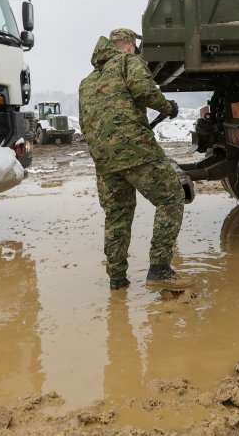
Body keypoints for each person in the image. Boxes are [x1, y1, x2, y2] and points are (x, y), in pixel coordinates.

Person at [78, 28, 194, 292]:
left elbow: (86, 123)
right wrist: (169, 107)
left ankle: (117, 279)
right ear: (130, 46)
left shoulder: (88, 80)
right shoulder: (128, 61)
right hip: (135, 149)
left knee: (117, 214)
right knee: (171, 198)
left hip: (103, 158)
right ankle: (160, 270)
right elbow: (144, 91)